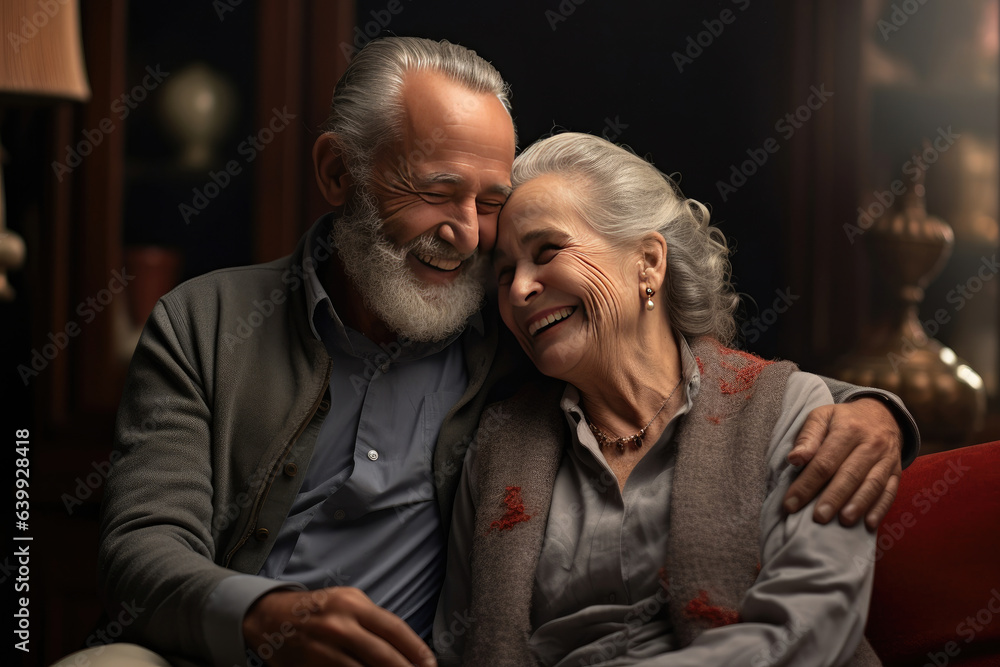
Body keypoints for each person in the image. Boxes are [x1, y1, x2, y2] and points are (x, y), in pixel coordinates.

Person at [57, 38, 913, 667]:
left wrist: (875, 409)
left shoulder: (506, 329)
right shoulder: (204, 322)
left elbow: (717, 386)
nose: (469, 241)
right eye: (437, 192)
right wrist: (268, 615)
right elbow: (138, 552)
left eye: (491, 204)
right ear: (336, 173)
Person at [435, 132, 885, 666]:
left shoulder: (787, 408)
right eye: (505, 272)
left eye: (547, 251)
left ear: (648, 261)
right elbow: (456, 648)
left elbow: (810, 626)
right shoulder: (497, 446)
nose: (518, 290)